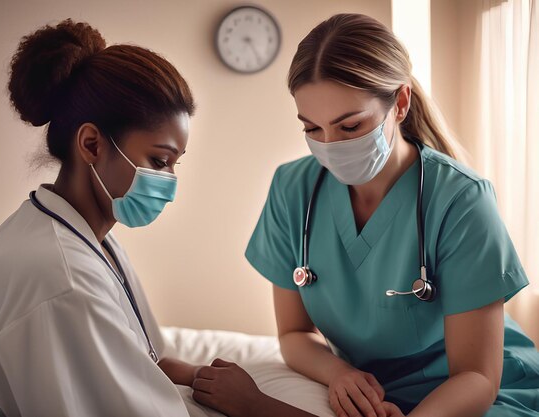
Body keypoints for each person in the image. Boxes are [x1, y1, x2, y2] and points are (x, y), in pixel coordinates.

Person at [190, 13, 539, 417]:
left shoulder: (461, 200)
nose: (330, 146)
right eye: (312, 129)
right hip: (375, 397)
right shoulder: (293, 189)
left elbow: (477, 376)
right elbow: (294, 333)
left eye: (350, 126)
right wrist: (337, 373)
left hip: (477, 399)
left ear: (401, 104)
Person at [0, 19, 200, 416]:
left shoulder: (88, 239)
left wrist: (204, 379)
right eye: (160, 161)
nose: (168, 184)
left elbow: (144, 357)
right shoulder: (59, 278)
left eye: (174, 165)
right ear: (91, 144)